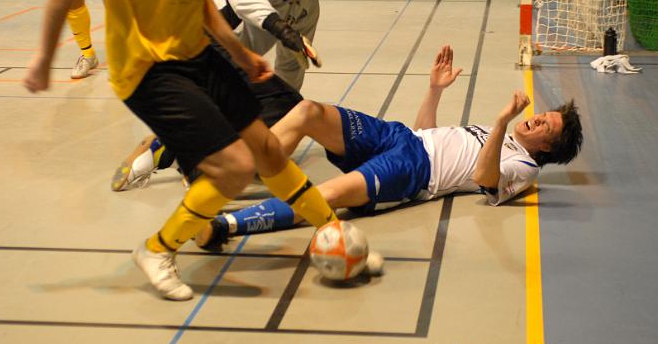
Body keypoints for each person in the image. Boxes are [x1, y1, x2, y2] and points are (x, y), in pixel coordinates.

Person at [23, 0, 338, 301]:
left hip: (198, 52)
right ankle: (156, 249)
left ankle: (333, 230)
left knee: (268, 147)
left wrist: (239, 52)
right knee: (235, 168)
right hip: (149, 70)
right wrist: (42, 57)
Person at [194, 45, 583, 249]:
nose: (536, 118)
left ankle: (223, 224)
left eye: (545, 125)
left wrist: (500, 122)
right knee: (308, 111)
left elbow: (485, 180)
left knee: (324, 195)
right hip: (401, 138)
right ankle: (235, 170)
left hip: (413, 172)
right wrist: (434, 91)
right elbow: (426, 133)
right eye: (543, 115)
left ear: (548, 147)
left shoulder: (524, 168)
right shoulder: (502, 137)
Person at [110, 0, 346, 191]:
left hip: (233, 65)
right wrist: (280, 27)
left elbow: (291, 64)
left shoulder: (310, 6)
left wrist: (279, 114)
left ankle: (170, 147)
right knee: (264, 114)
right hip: (201, 45)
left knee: (289, 106)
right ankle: (198, 165)